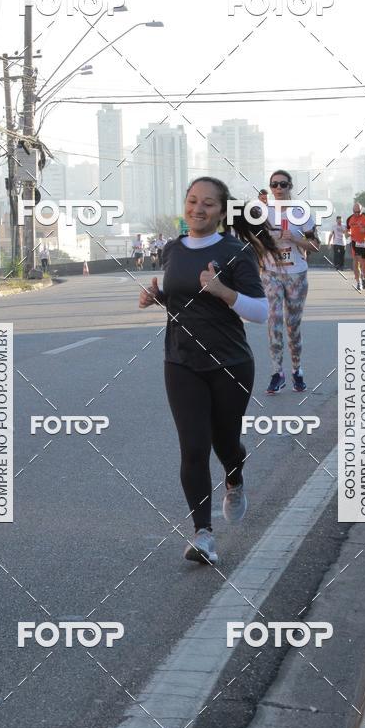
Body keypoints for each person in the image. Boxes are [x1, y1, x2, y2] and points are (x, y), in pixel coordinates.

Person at [138, 177, 268, 565]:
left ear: (222, 210)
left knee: (226, 444)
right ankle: (203, 534)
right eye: (192, 201)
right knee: (193, 448)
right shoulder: (173, 249)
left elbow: (260, 312)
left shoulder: (235, 251)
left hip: (230, 364)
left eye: (208, 203)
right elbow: (183, 300)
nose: (198, 209)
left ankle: (235, 477)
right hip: (181, 362)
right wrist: (158, 297)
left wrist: (223, 291)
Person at [263, 169, 319, 394]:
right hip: (271, 273)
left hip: (296, 274)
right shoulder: (262, 213)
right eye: (274, 184)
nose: (278, 189)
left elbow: (315, 244)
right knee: (274, 321)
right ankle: (277, 373)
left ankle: (297, 370)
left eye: (283, 184)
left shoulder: (301, 212)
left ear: (290, 187)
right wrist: (267, 241)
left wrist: (295, 239)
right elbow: (252, 244)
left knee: (292, 325)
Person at [346, 202, 365, 290]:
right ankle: (358, 282)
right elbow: (346, 231)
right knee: (355, 262)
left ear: (361, 210)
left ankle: (364, 277)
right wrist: (348, 233)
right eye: (355, 212)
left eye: (358, 212)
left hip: (364, 242)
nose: (356, 214)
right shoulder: (350, 219)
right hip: (355, 242)